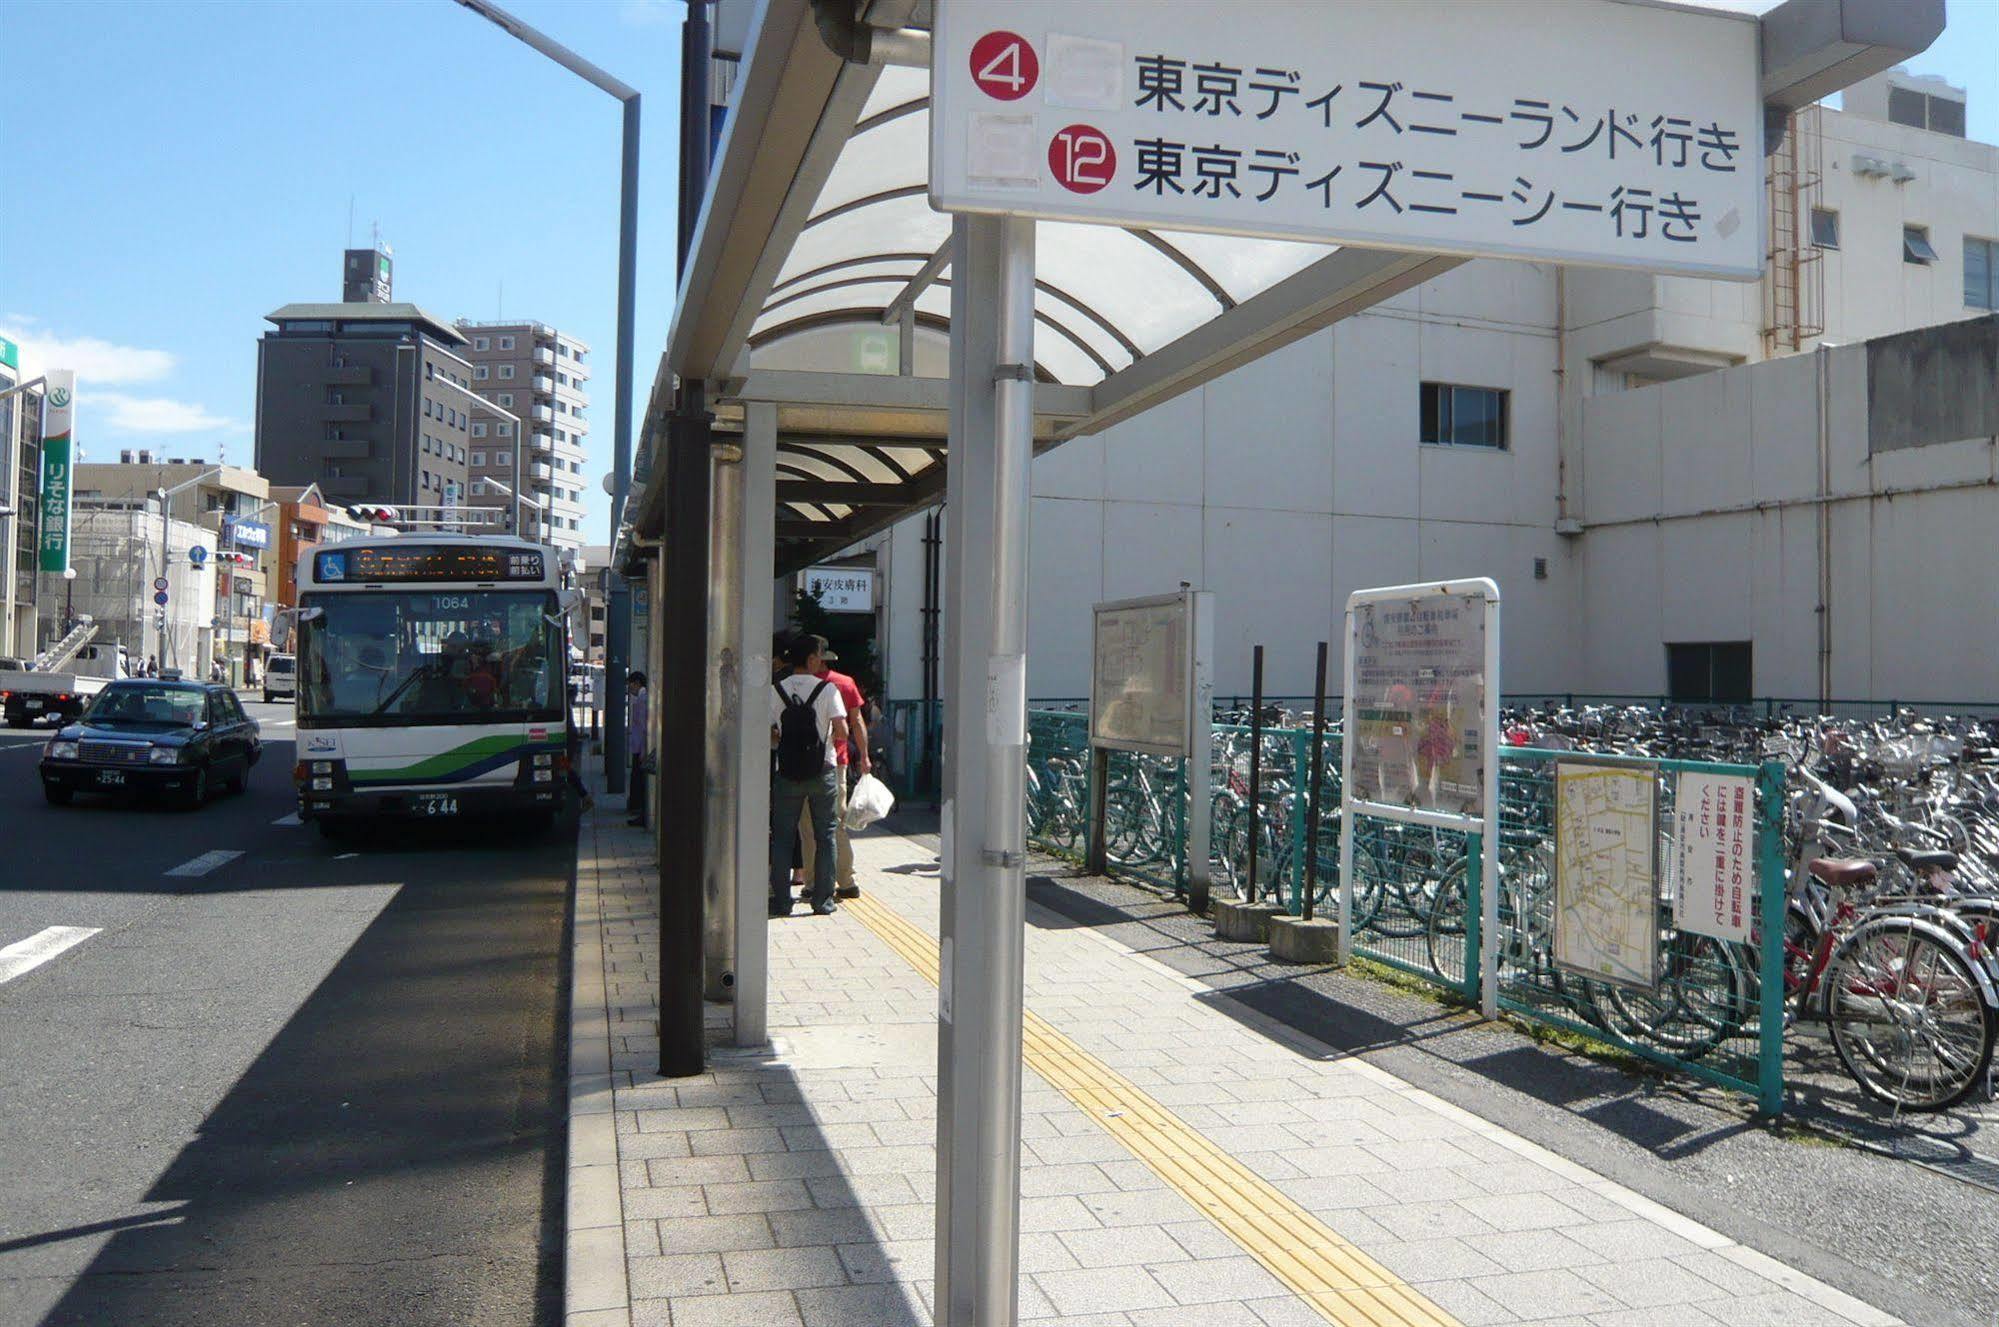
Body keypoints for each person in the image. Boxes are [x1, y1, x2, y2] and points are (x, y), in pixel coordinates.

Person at [769, 635, 846, 917]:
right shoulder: (827, 690)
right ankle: (823, 901)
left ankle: (781, 902)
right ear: (812, 659)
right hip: (822, 770)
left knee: (783, 837)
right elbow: (842, 731)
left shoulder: (776, 690)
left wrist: (782, 742)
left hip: (787, 772)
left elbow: (769, 732)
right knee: (825, 835)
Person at [795, 635, 871, 900]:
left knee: (807, 826)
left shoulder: (798, 685)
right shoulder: (844, 683)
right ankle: (846, 881)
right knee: (836, 823)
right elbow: (856, 722)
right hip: (836, 763)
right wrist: (864, 756)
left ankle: (813, 883)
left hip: (801, 765)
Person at [626, 671, 650, 828]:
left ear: (637, 683)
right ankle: (640, 812)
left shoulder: (642, 699)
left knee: (639, 780)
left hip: (639, 747)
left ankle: (642, 813)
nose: (630, 689)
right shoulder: (643, 697)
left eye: (631, 685)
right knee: (638, 780)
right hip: (639, 745)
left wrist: (642, 750)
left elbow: (642, 726)